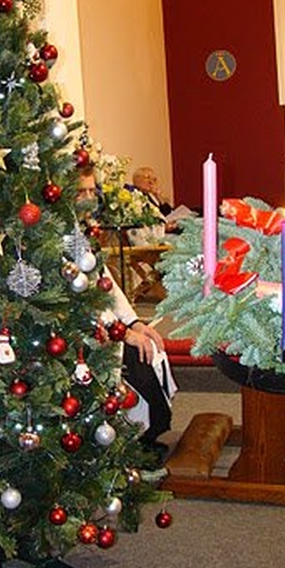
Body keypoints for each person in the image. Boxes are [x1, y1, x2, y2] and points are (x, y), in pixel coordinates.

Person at [77, 169, 177, 453]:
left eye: (90, 191)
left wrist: (134, 322)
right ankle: (130, 446)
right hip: (87, 335)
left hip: (110, 326)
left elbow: (105, 283)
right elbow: (78, 301)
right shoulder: (61, 238)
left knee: (153, 348)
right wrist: (123, 334)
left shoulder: (85, 231)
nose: (88, 198)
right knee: (139, 369)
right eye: (80, 192)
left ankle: (147, 438)